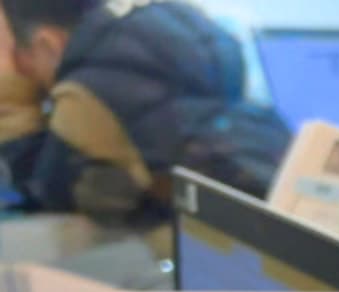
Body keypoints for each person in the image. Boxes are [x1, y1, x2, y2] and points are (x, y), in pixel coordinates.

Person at [0, 0, 286, 227]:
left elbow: (43, 195)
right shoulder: (189, 24)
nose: (26, 71)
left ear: (47, 44)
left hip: (178, 253)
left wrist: (16, 108)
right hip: (267, 207)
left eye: (24, 58)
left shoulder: (86, 94)